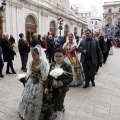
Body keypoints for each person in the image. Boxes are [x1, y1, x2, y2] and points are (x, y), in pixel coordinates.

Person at [18, 45, 49, 120]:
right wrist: (27, 78)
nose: (33, 57)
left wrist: (40, 79)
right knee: (28, 96)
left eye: (35, 55)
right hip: (32, 81)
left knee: (37, 96)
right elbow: (30, 72)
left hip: (40, 82)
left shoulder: (42, 63)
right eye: (32, 55)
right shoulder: (32, 62)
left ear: (39, 54)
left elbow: (45, 76)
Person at [45, 48, 73, 120]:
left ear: (64, 56)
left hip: (62, 89)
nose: (57, 58)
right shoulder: (52, 65)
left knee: (59, 105)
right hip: (54, 87)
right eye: (56, 56)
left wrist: (63, 82)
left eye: (60, 56)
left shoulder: (67, 66)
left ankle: (59, 117)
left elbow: (71, 78)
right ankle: (61, 108)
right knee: (56, 101)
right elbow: (49, 76)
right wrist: (47, 87)